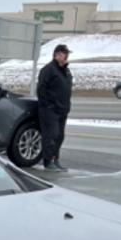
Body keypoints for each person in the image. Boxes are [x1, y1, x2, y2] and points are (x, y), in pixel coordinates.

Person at [35, 44, 73, 172]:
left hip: (63, 109)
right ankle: (47, 161)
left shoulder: (66, 71)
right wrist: (49, 105)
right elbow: (41, 89)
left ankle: (55, 159)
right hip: (50, 110)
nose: (66, 56)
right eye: (64, 54)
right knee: (51, 135)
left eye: (67, 54)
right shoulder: (48, 69)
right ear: (56, 55)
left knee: (60, 136)